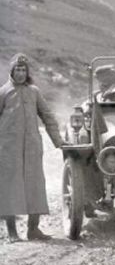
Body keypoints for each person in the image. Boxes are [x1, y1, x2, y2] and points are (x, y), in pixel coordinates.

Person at [0, 53, 64, 242]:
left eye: (23, 70)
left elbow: (47, 116)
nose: (20, 73)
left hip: (33, 148)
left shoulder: (34, 92)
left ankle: (33, 230)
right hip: (8, 149)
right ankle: (12, 232)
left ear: (27, 72)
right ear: (12, 71)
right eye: (17, 69)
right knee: (9, 186)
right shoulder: (3, 92)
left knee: (35, 185)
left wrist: (58, 141)